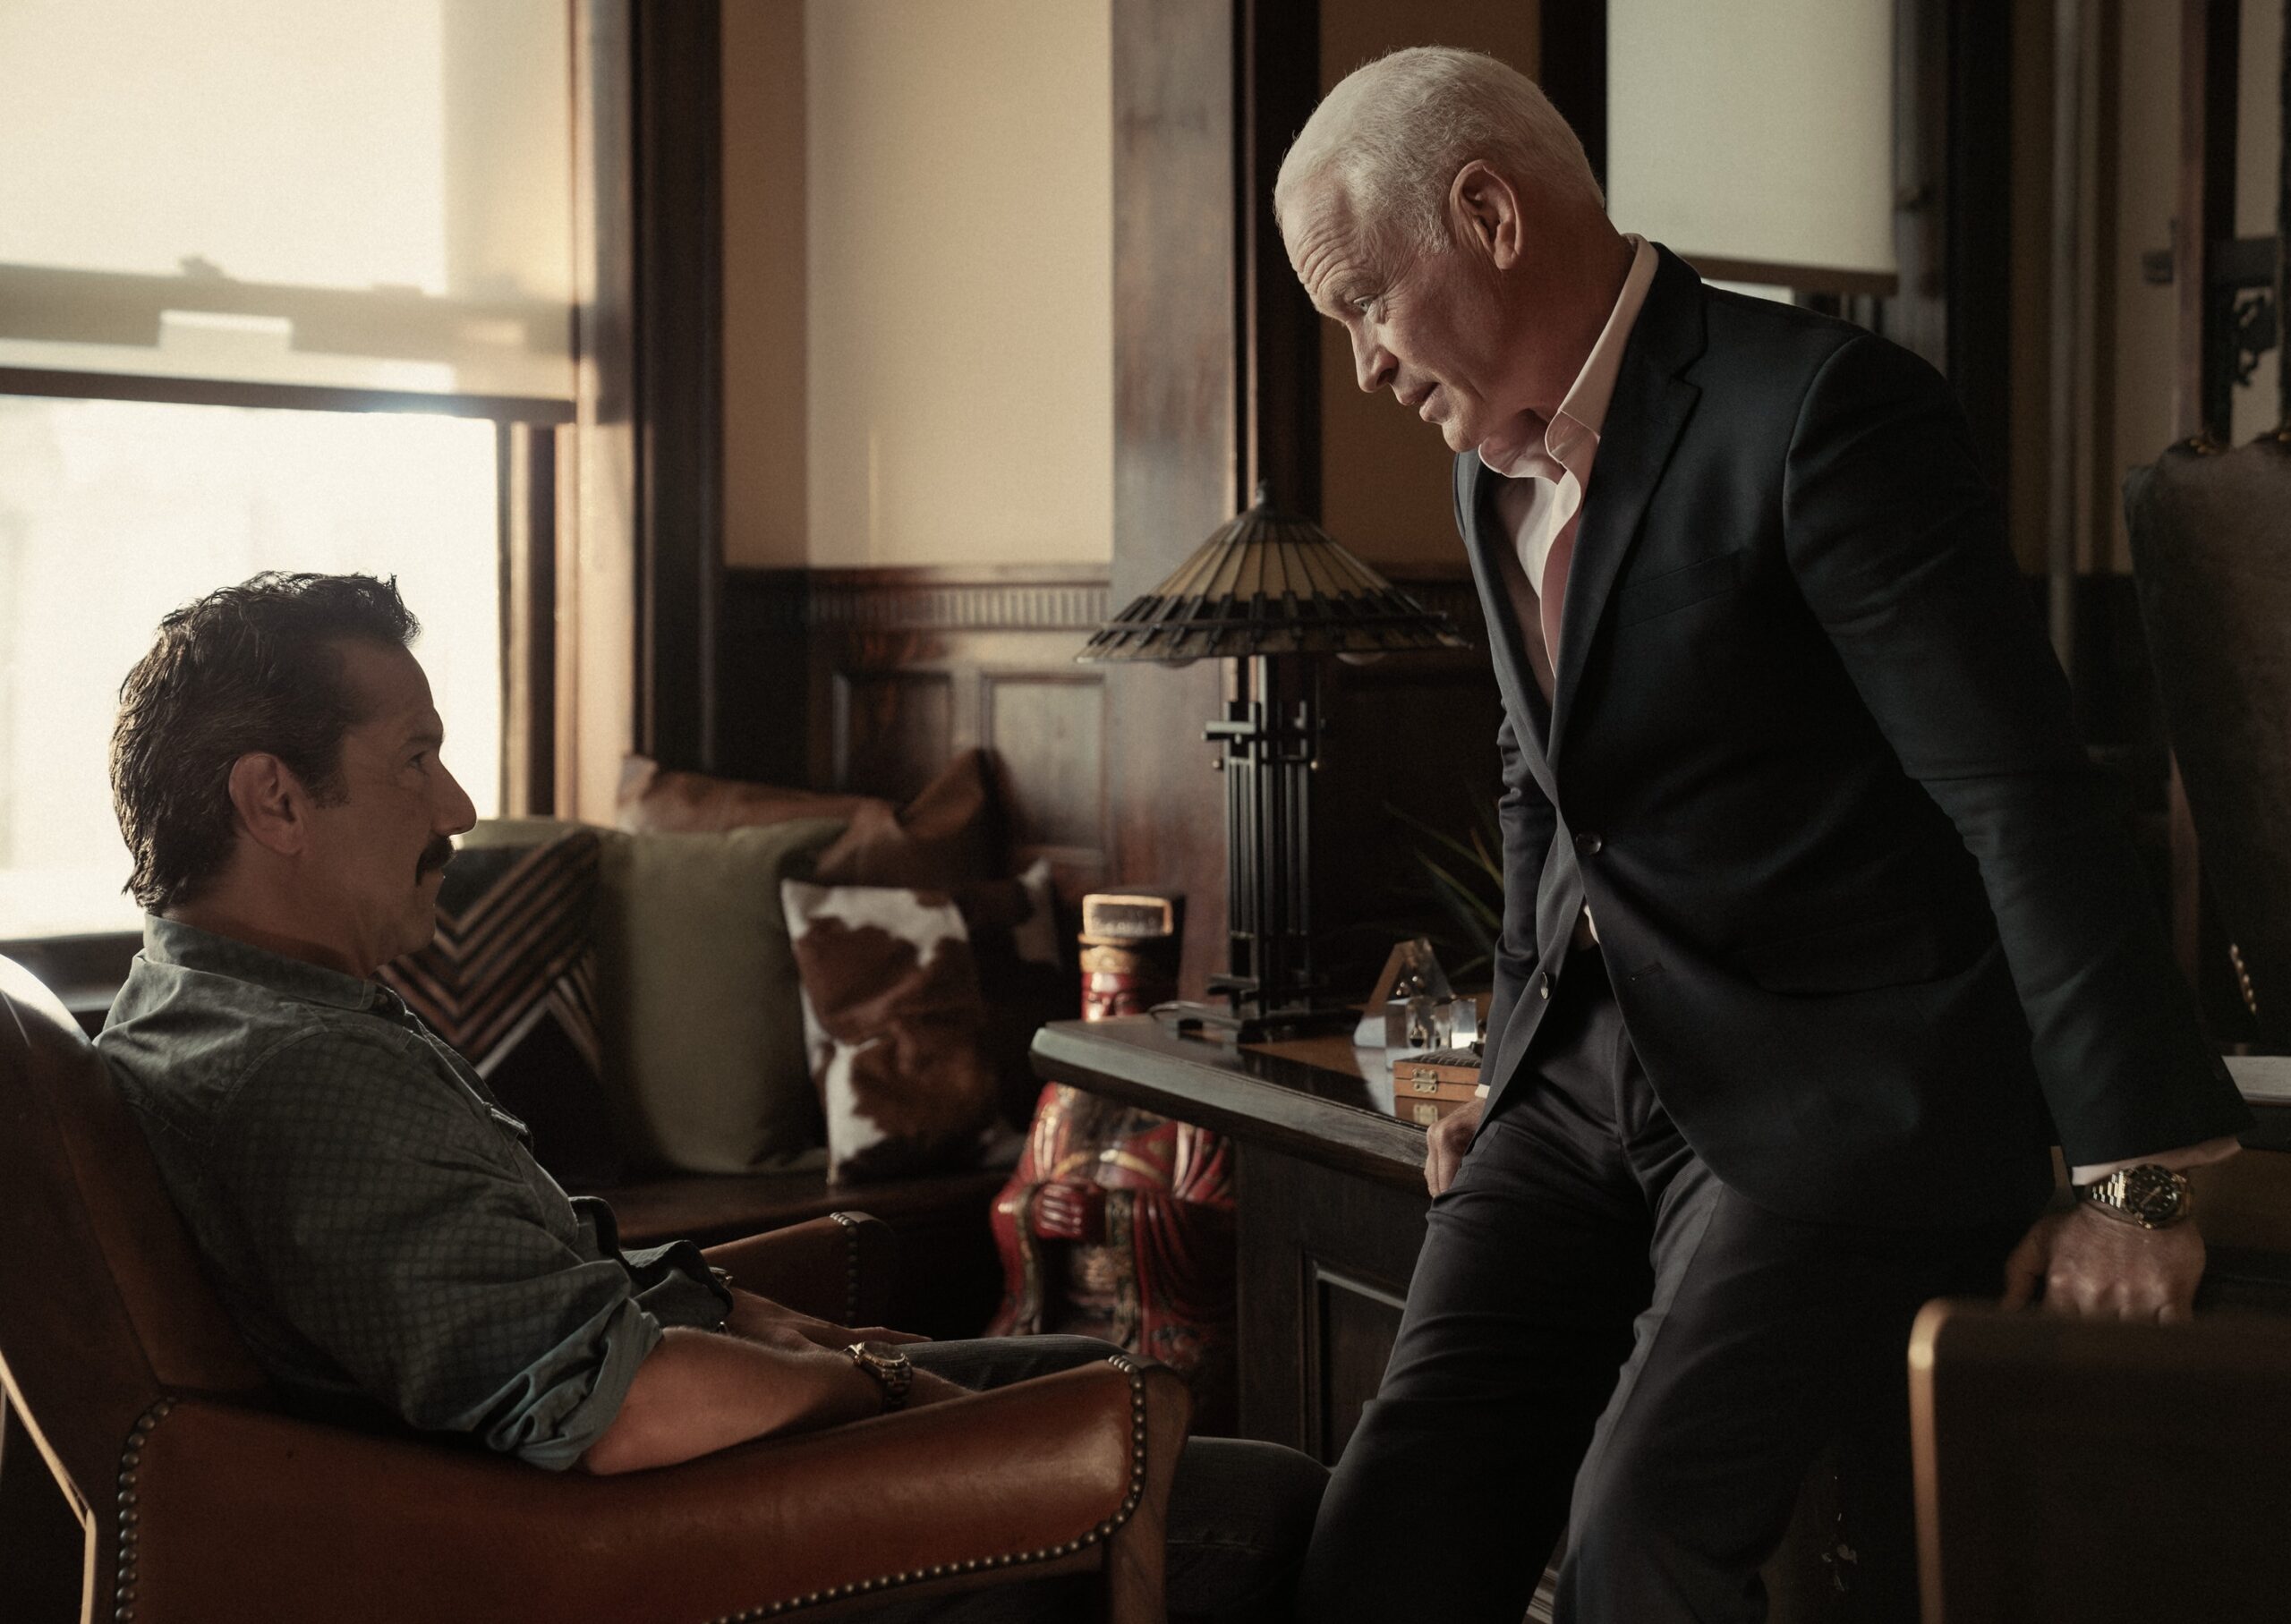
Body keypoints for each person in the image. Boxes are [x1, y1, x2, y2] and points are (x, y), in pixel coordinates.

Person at [1274, 47, 2253, 1624]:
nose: (1368, 364)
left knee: (1635, 1544)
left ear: (1489, 216)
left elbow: (2018, 791)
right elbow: (1545, 786)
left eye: (1366, 302)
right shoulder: (1488, 478)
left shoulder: (1822, 414)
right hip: (1580, 1085)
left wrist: (2141, 1183)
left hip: (1832, 1094)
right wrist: (1500, 1054)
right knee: (1390, 1522)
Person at [97, 571, 1321, 1624]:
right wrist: (875, 1382)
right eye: (415, 760)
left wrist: (769, 1321)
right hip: (653, 1552)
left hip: (632, 1483)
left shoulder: (207, 1001)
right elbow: (617, 1413)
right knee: (1267, 1506)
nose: (460, 806)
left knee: (1091, 1379)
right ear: (274, 800)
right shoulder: (301, 1080)